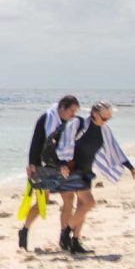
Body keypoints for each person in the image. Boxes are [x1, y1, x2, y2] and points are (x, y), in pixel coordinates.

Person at [58, 102, 135, 255]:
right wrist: (62, 164)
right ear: (94, 113)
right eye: (104, 118)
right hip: (73, 171)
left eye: (108, 119)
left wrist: (131, 168)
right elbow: (64, 143)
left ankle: (75, 241)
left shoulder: (104, 130)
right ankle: (66, 232)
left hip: (87, 171)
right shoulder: (78, 124)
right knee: (90, 203)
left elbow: (115, 150)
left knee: (83, 206)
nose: (106, 121)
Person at [21, 95, 79, 251]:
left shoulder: (67, 122)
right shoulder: (47, 119)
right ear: (62, 108)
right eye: (72, 111)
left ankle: (63, 237)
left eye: (75, 111)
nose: (73, 114)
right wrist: (32, 164)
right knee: (42, 204)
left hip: (59, 166)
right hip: (42, 166)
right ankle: (24, 230)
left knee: (69, 198)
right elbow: (37, 143)